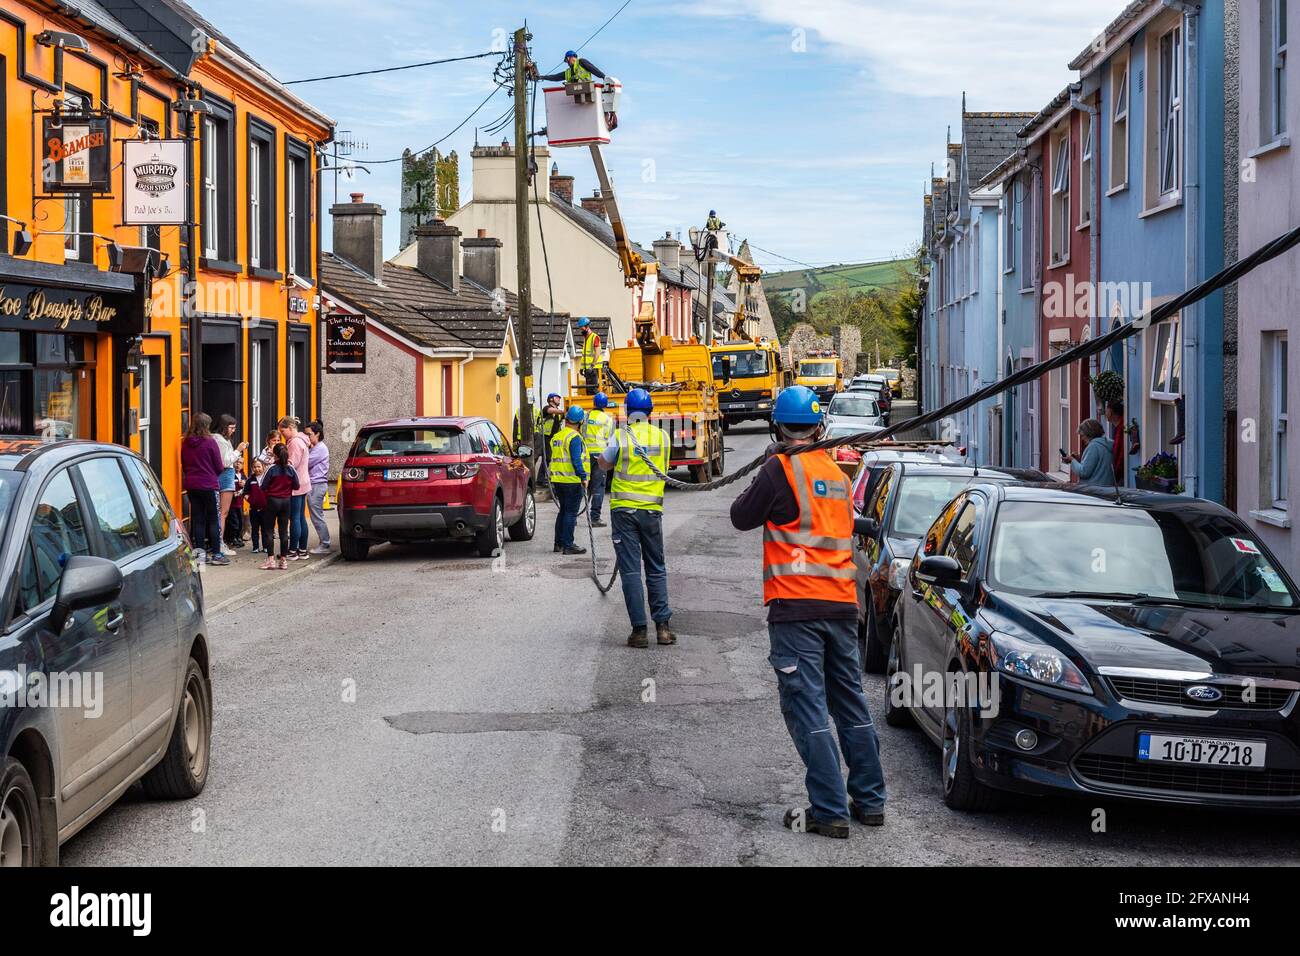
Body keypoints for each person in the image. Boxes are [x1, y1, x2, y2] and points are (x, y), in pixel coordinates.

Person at [729, 385, 886, 838]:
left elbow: (741, 516)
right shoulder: (835, 472)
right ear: (819, 427)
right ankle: (870, 802)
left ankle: (830, 810)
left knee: (808, 708)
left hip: (796, 608)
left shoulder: (780, 468)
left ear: (778, 426)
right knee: (850, 704)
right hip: (841, 607)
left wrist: (767, 465)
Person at [598, 387, 675, 648]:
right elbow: (663, 468)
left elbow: (604, 464)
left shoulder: (620, 436)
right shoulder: (663, 437)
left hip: (624, 512)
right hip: (652, 511)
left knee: (631, 570)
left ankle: (639, 631)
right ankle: (663, 629)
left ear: (627, 412)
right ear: (651, 411)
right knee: (656, 568)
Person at [181, 413, 228, 566]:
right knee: (214, 519)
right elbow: (219, 466)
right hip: (208, 484)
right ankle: (217, 554)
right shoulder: (210, 442)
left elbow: (184, 463)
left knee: (198, 519)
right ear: (207, 426)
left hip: (191, 485)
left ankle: (199, 556)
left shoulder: (186, 442)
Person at [535, 52, 617, 128]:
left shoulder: (581, 62)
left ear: (570, 58)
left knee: (591, 104)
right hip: (578, 93)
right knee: (582, 105)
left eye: (567, 60)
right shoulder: (568, 72)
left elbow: (593, 69)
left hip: (588, 89)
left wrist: (603, 77)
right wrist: (542, 77)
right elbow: (556, 77)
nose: (567, 63)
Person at [550, 404, 588, 556]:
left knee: (563, 511)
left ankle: (558, 543)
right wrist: (583, 477)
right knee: (571, 513)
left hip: (558, 479)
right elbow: (576, 460)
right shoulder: (574, 437)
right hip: (572, 480)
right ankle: (568, 545)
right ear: (580, 422)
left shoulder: (557, 436)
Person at [259, 443, 299, 571]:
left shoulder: (271, 469)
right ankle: (283, 560)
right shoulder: (291, 469)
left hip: (272, 501)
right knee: (284, 531)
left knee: (269, 530)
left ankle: (271, 560)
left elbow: (262, 485)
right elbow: (297, 486)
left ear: (274, 455)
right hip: (286, 501)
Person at [213, 414, 248, 556]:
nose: (233, 430)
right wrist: (238, 450)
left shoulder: (217, 438)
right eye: (231, 427)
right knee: (223, 512)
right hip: (226, 474)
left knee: (219, 512)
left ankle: (218, 542)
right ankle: (220, 543)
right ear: (224, 426)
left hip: (221, 474)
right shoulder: (220, 440)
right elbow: (225, 461)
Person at [279, 416, 313, 560]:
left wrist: (278, 462)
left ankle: (292, 551)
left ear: (291, 428)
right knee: (300, 517)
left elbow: (291, 465)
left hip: (295, 485)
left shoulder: (294, 443)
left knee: (295, 518)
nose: (281, 434)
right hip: (303, 483)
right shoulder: (302, 440)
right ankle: (303, 549)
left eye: (283, 430)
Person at [584, 391, 615, 527]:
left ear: (594, 403)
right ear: (605, 404)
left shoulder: (586, 416)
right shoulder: (608, 419)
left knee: (582, 485)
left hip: (585, 455)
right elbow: (611, 438)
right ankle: (595, 518)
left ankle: (572, 516)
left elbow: (582, 433)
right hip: (600, 456)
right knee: (599, 487)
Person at [303, 421, 333, 554]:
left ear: (317, 434)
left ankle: (325, 544)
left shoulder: (320, 448)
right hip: (314, 484)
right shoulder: (315, 447)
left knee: (316, 516)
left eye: (309, 434)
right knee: (316, 515)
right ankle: (324, 543)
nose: (307, 437)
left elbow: (306, 462)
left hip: (317, 485)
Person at [1064, 418, 1116, 486]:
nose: (1082, 439)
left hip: (1094, 489)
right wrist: (1078, 461)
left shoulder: (1094, 447)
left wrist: (1072, 461)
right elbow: (1097, 466)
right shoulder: (1106, 445)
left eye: (1082, 435)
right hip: (1106, 487)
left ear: (1089, 433)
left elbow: (1084, 472)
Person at [246, 458, 268, 554]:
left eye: (259, 466)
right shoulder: (250, 480)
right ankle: (255, 547)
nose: (257, 469)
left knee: (265, 529)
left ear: (263, 467)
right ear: (252, 468)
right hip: (254, 509)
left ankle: (266, 547)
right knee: (254, 529)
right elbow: (245, 493)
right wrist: (251, 500)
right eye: (254, 467)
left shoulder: (267, 479)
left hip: (265, 509)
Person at [1105, 399, 1126, 486]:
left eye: (1106, 409)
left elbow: (1120, 455)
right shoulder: (1119, 428)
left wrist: (1114, 477)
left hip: (1120, 478)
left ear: (1110, 411)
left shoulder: (1121, 429)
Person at [577, 317, 602, 391]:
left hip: (594, 369)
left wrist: (592, 366)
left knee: (593, 390)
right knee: (589, 390)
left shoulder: (594, 337)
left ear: (587, 327)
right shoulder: (586, 338)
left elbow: (597, 352)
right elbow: (584, 356)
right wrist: (582, 368)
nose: (581, 330)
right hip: (588, 370)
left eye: (582, 328)